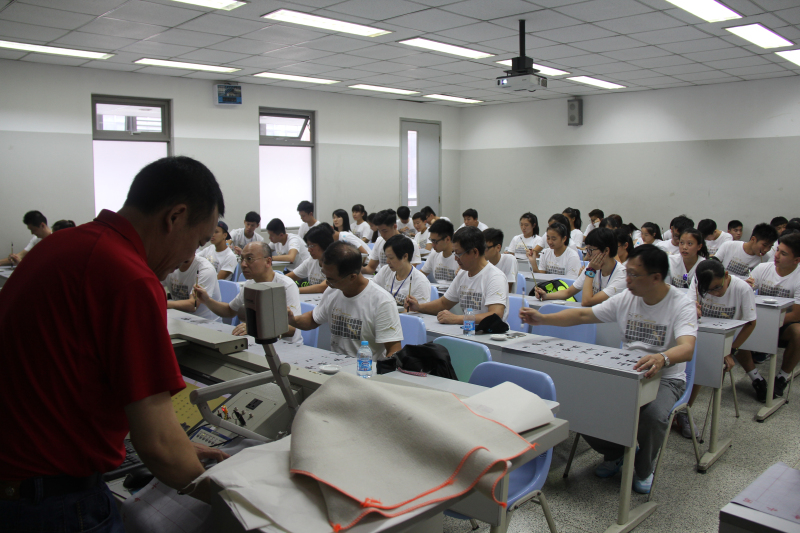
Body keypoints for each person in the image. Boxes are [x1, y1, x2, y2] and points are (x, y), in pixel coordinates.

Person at [0, 156, 229, 531]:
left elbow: (63, 378)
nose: (189, 258)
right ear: (175, 217)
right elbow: (158, 445)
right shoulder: (130, 278)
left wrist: (177, 446)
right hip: (55, 503)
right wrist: (243, 506)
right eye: (198, 241)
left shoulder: (59, 246)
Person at [519, 244, 697, 494]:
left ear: (656, 277)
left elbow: (687, 348)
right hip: (625, 371)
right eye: (628, 272)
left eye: (634, 274)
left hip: (665, 376)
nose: (627, 279)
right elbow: (584, 315)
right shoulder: (627, 298)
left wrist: (662, 358)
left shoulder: (681, 304)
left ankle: (644, 468)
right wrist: (543, 319)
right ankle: (616, 454)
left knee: (653, 416)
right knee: (581, 406)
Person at [676, 258, 757, 438]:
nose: (714, 293)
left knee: (706, 363)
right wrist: (693, 308)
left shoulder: (742, 289)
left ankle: (684, 410)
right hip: (698, 334)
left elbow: (751, 323)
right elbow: (688, 307)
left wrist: (731, 351)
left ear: (726, 275)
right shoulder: (698, 281)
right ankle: (674, 406)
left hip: (724, 340)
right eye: (709, 291)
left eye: (717, 288)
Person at [289, 242, 404, 358]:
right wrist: (291, 319)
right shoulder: (332, 291)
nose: (327, 283)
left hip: (366, 366)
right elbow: (313, 319)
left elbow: (394, 349)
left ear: (352, 277)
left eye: (331, 279)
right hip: (336, 363)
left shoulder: (381, 301)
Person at [195, 242, 302, 343]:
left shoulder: (286, 286)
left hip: (285, 345)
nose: (243, 264)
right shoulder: (250, 284)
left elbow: (292, 329)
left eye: (249, 259)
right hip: (258, 341)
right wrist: (207, 300)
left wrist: (254, 327)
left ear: (268, 262)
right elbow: (229, 311)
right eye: (242, 259)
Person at [738, 232, 800, 401]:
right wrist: (746, 287)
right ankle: (756, 378)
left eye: (783, 253)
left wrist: (770, 322)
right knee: (735, 330)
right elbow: (745, 295)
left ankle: (781, 378)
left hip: (784, 323)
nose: (777, 255)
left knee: (799, 333)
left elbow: (796, 314)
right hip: (758, 320)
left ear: (796, 260)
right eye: (777, 250)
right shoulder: (763, 268)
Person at [407, 226, 509, 323]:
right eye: (454, 253)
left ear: (475, 252)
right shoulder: (463, 274)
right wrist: (418, 307)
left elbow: (496, 314)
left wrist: (457, 319)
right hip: (468, 331)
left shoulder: (495, 277)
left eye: (458, 254)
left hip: (491, 333)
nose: (455, 258)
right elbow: (443, 303)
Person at [534, 228, 627, 306]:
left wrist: (591, 271)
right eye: (587, 250)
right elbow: (568, 292)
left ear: (606, 251)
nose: (588, 255)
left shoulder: (622, 275)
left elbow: (587, 302)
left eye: (591, 250)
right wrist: (546, 296)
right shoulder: (593, 267)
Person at [373, 234, 432, 307]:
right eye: (386, 257)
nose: (387, 261)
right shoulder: (385, 270)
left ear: (405, 256)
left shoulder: (420, 282)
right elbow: (372, 292)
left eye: (391, 258)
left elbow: (418, 311)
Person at [163, 254, 221, 322]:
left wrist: (161, 304)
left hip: (204, 322)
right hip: (179, 317)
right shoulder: (169, 265)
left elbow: (193, 305)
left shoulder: (205, 269)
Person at [362, 209, 421, 274]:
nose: (382, 235)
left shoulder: (410, 244)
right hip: (382, 278)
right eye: (379, 231)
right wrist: (356, 269)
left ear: (394, 226)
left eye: (385, 231)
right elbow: (370, 268)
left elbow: (409, 273)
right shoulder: (379, 240)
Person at [713, 223, 778, 279]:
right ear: (753, 239)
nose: (766, 250)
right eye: (764, 245)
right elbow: (713, 264)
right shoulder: (729, 246)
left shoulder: (765, 259)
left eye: (770, 246)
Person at [287, 223, 334, 294]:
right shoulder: (311, 261)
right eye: (308, 246)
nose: (309, 250)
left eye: (312, 246)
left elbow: (322, 287)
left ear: (323, 244)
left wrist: (292, 290)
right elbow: (289, 277)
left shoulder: (336, 263)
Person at [420, 218, 460, 285]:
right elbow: (422, 274)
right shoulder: (434, 254)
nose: (432, 245)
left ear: (447, 239)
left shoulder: (460, 257)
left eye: (435, 241)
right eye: (431, 240)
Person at [483, 228, 518, 293]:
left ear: (498, 248)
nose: (482, 251)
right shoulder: (482, 263)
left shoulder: (509, 259)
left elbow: (508, 289)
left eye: (486, 248)